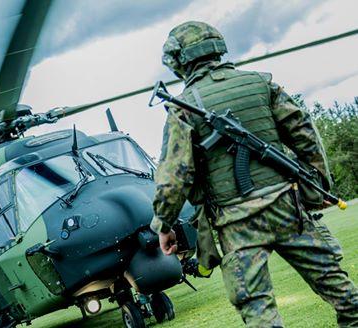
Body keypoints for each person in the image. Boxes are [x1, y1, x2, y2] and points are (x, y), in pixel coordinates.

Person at [150, 21, 358, 327]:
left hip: (236, 224)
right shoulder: (261, 84)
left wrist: (164, 224)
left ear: (178, 60)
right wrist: (317, 189)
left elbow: (173, 177)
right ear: (217, 48)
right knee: (340, 290)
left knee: (258, 311)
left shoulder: (184, 110)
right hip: (288, 207)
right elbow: (306, 138)